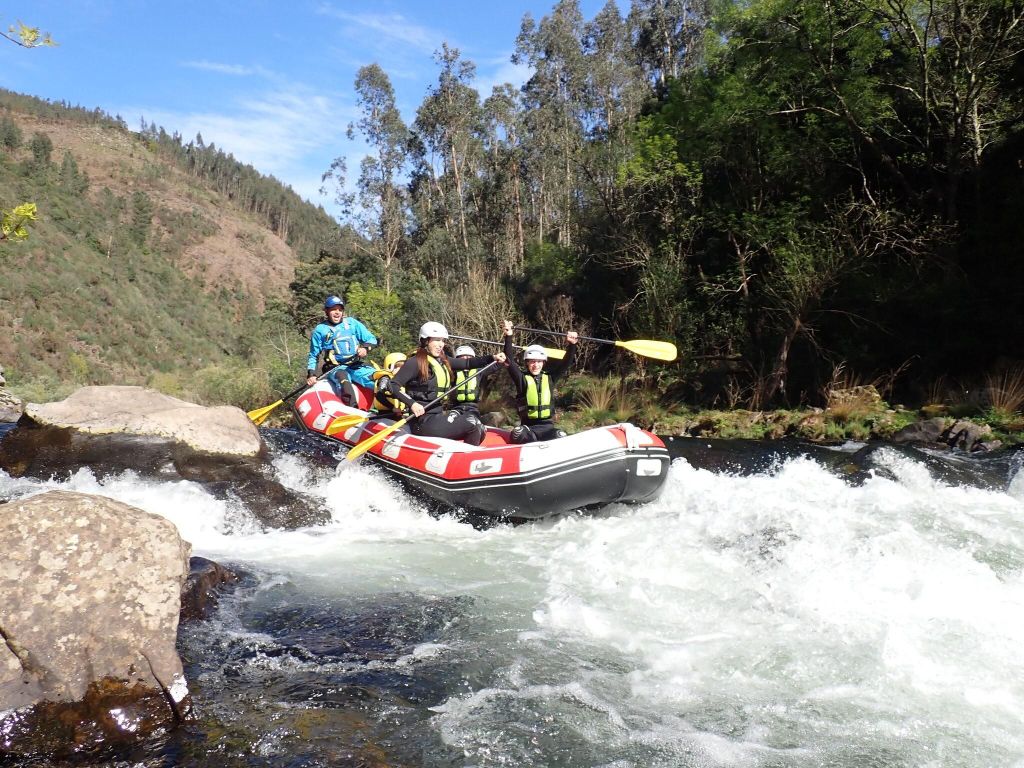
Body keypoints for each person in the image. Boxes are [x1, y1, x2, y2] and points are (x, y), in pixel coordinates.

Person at [387, 322, 505, 445]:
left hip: (437, 416)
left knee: (477, 425)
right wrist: (412, 404)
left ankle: (461, 455)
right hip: (421, 421)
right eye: (437, 340)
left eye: (442, 341)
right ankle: (463, 460)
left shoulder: (443, 361)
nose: (441, 345)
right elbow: (393, 385)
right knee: (473, 424)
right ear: (425, 341)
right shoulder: (415, 362)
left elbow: (468, 363)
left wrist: (492, 357)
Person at [502, 319, 577, 443]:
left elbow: (566, 363)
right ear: (527, 363)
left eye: (539, 361)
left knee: (562, 435)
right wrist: (508, 336)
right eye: (532, 361)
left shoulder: (550, 377)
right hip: (529, 428)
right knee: (517, 434)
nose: (535, 365)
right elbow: (509, 360)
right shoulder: (521, 379)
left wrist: (572, 345)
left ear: (543, 363)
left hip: (547, 428)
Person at [305, 295, 377, 404]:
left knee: (380, 378)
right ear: (326, 311)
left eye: (340, 309)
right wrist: (311, 374)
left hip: (355, 365)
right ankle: (352, 409)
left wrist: (366, 348)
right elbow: (314, 355)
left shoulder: (352, 323)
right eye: (333, 309)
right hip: (335, 368)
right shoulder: (320, 330)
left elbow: (371, 339)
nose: (337, 312)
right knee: (343, 378)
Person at [449, 345, 498, 418]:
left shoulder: (480, 371)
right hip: (456, 407)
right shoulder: (451, 372)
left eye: (469, 357)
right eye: (462, 356)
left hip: (473, 407)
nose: (466, 358)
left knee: (472, 423)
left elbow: (497, 365)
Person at [371, 352, 407, 417]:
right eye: (396, 367)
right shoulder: (385, 378)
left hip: (397, 412)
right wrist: (392, 407)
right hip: (385, 413)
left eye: (403, 367)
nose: (400, 370)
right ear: (389, 366)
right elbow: (379, 395)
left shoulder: (402, 380)